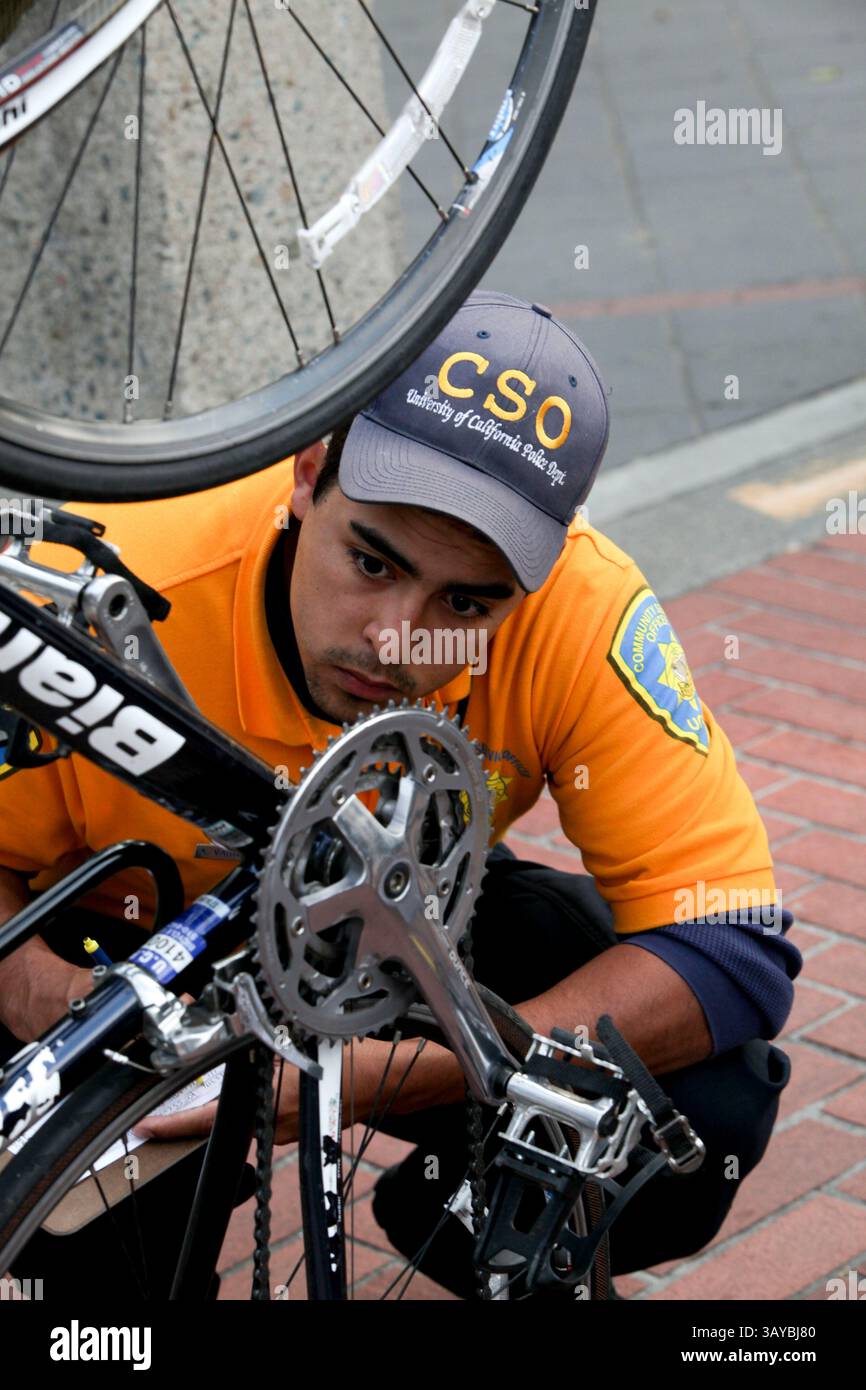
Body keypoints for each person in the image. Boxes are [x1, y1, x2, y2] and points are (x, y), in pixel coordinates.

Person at [0, 289, 799, 1297]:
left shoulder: (577, 608)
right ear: (304, 473)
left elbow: (730, 946)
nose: (398, 637)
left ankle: (457, 1218)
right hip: (118, 932)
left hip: (393, 909)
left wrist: (372, 1082)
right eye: (371, 560)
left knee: (699, 1103)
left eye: (466, 602)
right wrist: (34, 990)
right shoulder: (130, 576)